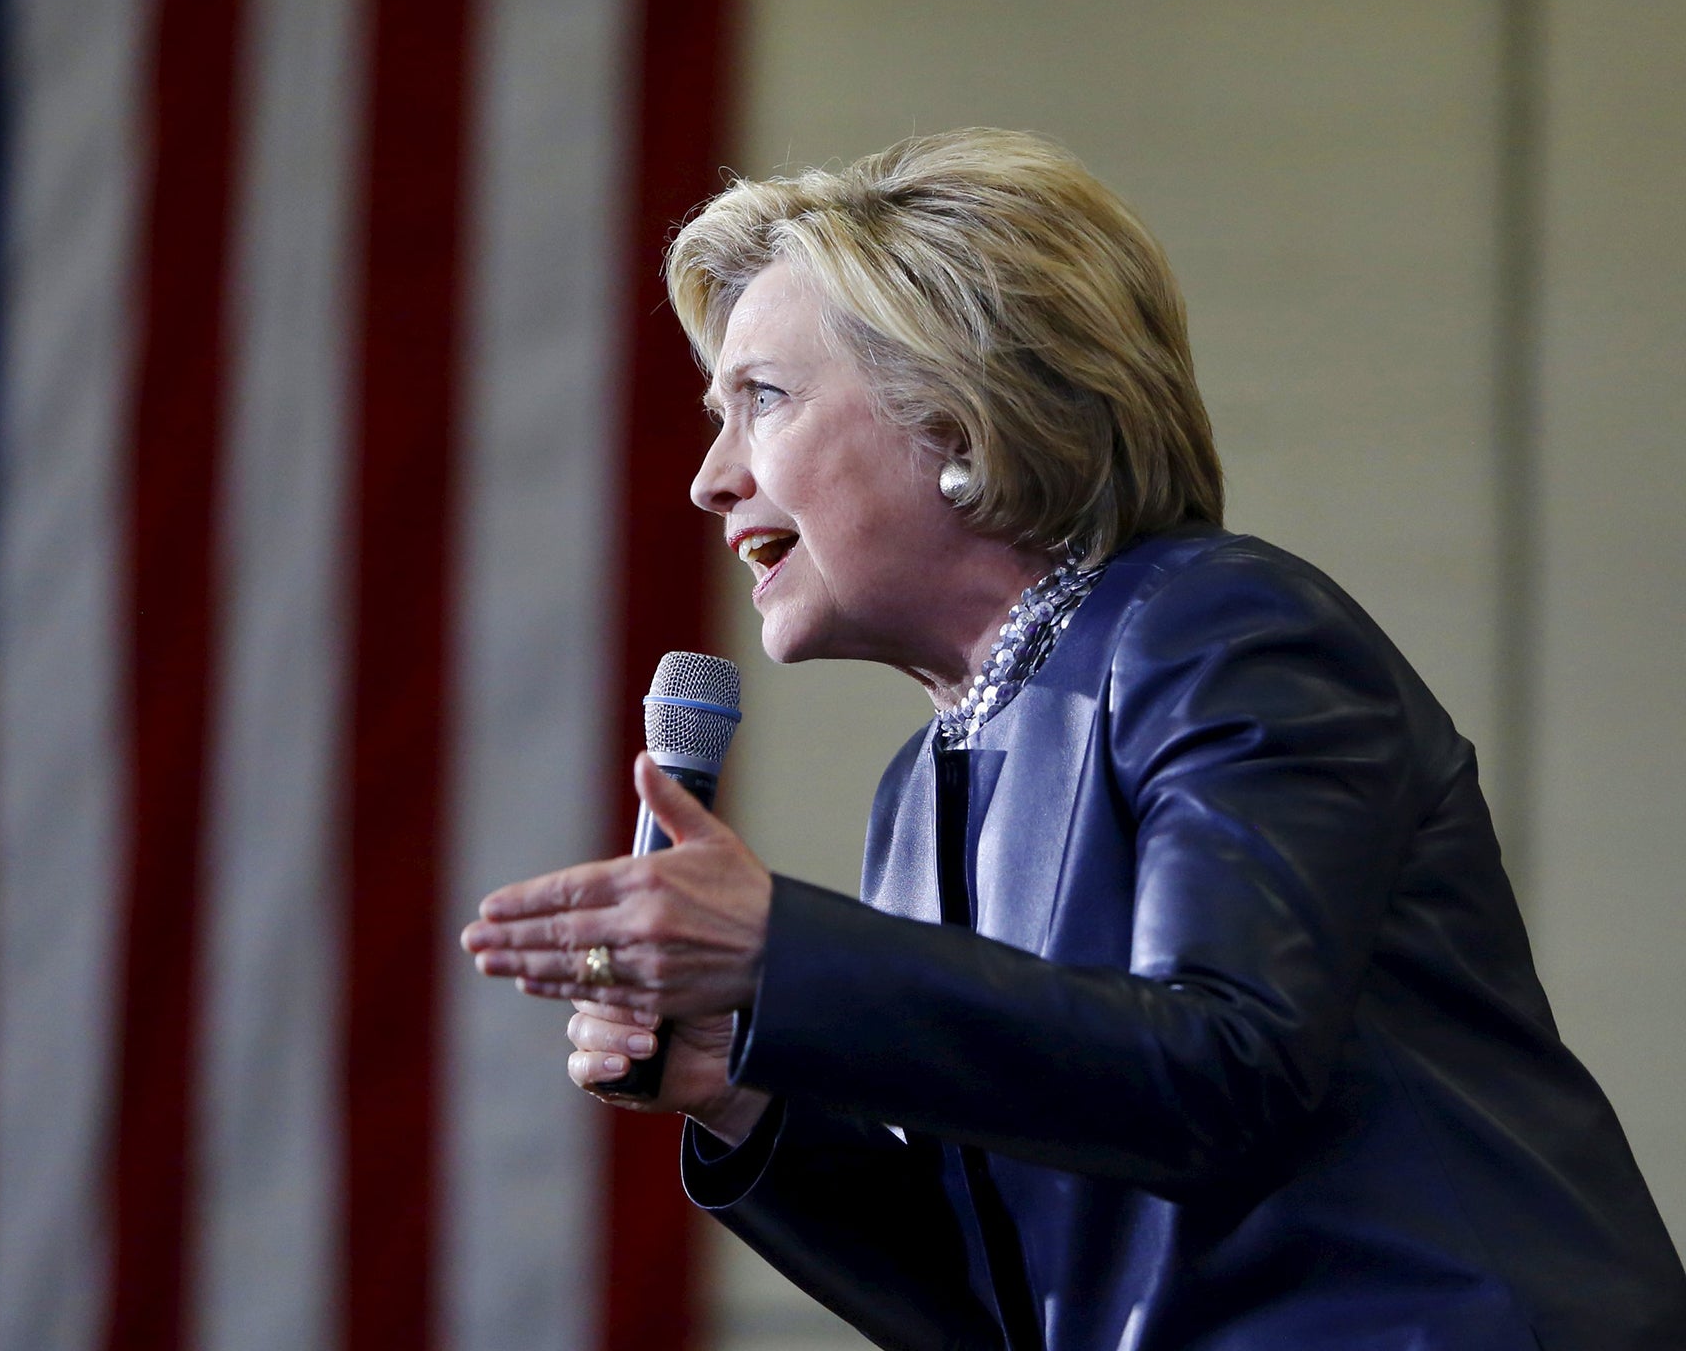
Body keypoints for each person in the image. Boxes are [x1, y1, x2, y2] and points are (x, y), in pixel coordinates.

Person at [458, 130, 1686, 1350]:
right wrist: (743, 1086)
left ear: (959, 417)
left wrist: (786, 950)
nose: (709, 478)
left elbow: (1222, 1065)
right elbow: (1004, 1305)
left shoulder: (1222, 631)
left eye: (761, 400)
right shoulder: (923, 788)